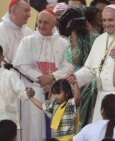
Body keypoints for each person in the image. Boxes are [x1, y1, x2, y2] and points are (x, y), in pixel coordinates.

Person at [67, 4, 115, 123]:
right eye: (104, 20)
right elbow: (90, 70)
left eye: (110, 20)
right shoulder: (99, 40)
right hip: (102, 96)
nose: (106, 24)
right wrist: (76, 77)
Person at [12, 9, 74, 141]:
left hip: (57, 91)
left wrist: (52, 77)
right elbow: (21, 65)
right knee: (34, 127)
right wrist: (41, 79)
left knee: (55, 128)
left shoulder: (63, 43)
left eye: (46, 22)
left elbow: (69, 66)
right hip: (34, 90)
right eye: (39, 22)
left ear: (54, 24)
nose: (41, 25)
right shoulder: (27, 41)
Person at [59, 4, 100, 127]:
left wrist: (89, 30)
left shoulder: (96, 34)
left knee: (93, 117)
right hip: (79, 82)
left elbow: (101, 49)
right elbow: (76, 60)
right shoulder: (73, 37)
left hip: (95, 80)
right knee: (79, 118)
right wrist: (73, 33)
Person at [0, 43, 34, 141]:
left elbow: (22, 93)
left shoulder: (10, 75)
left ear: (2, 57)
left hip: (7, 123)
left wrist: (27, 93)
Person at [0, 0, 32, 72]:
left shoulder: (28, 32)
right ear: (13, 11)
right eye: (26, 11)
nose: (29, 15)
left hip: (25, 80)